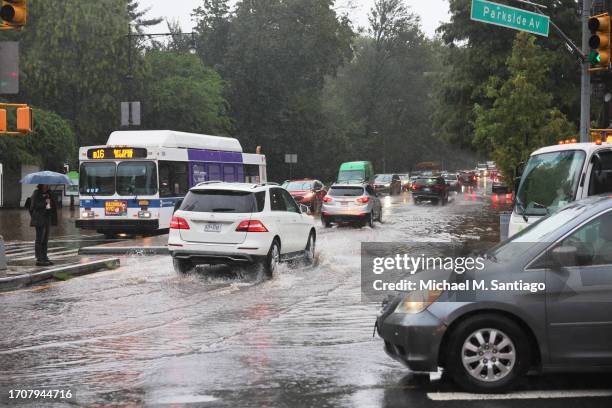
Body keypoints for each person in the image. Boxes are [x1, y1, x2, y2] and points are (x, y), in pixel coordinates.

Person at [29, 184, 58, 266]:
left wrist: (50, 199)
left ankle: (44, 257)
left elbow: (54, 205)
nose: (47, 186)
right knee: (39, 239)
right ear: (41, 185)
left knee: (45, 240)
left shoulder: (49, 193)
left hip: (47, 219)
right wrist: (44, 202)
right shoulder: (36, 193)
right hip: (39, 219)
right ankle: (39, 258)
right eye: (45, 185)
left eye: (47, 185)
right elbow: (33, 206)